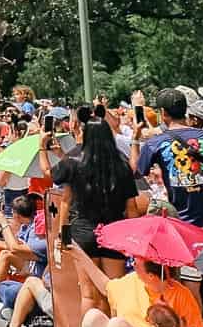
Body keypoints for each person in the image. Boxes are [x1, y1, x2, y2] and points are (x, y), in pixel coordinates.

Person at [53, 117, 139, 309]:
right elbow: (131, 207)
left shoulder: (74, 163)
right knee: (114, 293)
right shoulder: (122, 166)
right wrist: (134, 240)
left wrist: (63, 235)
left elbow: (66, 201)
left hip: (83, 230)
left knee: (88, 293)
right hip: (114, 232)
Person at [64, 242, 203, 327]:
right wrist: (78, 254)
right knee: (92, 317)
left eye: (136, 263)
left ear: (151, 275)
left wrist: (172, 323)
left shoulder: (180, 294)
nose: (132, 265)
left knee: (117, 325)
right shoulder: (132, 280)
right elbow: (105, 286)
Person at [134, 89, 203, 227]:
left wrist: (134, 139)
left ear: (163, 113)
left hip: (182, 223)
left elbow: (136, 171)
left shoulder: (156, 143)